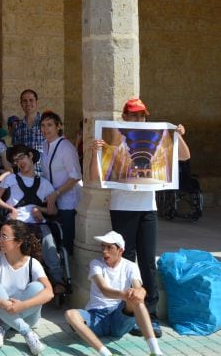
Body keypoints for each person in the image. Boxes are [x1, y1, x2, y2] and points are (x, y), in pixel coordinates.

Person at [90, 97, 190, 338]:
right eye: (132, 115)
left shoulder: (158, 137)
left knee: (147, 260)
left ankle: (151, 314)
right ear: (124, 117)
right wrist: (96, 153)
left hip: (147, 208)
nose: (137, 119)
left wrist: (178, 135)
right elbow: (96, 177)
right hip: (122, 206)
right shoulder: (113, 140)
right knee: (127, 259)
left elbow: (184, 157)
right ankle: (129, 312)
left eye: (141, 116)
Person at [64, 231, 164, 356]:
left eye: (109, 247)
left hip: (119, 318)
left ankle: (155, 351)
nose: (104, 251)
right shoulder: (96, 264)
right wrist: (126, 294)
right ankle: (105, 353)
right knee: (70, 314)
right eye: (103, 246)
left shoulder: (130, 266)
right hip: (96, 316)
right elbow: (104, 289)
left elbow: (138, 288)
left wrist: (140, 292)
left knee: (137, 299)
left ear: (120, 251)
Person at [0, 145, 65, 293]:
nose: (20, 162)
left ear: (30, 156)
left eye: (22, 157)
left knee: (48, 240)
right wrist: (10, 209)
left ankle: (57, 279)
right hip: (15, 220)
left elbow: (53, 210)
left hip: (37, 222)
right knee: (12, 241)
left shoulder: (44, 183)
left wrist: (40, 210)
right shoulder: (11, 178)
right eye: (16, 160)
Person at [0, 220, 53, 354]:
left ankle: (2, 327)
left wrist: (22, 305)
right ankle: (26, 332)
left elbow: (49, 293)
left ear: (18, 242)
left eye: (4, 237)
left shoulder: (32, 264)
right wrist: (4, 304)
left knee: (38, 287)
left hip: (27, 315)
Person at [40, 110, 82, 255]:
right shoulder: (45, 145)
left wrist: (57, 193)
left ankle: (69, 272)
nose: (45, 129)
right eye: (43, 125)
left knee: (66, 241)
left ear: (58, 126)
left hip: (67, 202)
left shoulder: (66, 147)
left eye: (49, 125)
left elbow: (75, 176)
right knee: (55, 239)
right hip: (52, 200)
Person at [12, 90, 44, 157]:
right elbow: (16, 151)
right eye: (25, 101)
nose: (28, 103)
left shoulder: (46, 123)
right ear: (21, 104)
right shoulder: (17, 127)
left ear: (36, 102)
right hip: (24, 167)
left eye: (31, 100)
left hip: (43, 167)